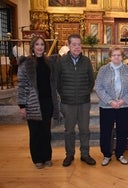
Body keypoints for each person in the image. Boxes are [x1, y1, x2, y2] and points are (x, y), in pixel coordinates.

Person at [17, 36, 59, 169]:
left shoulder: (49, 62)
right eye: (37, 45)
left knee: (46, 131)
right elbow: (22, 85)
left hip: (47, 102)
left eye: (42, 44)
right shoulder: (26, 63)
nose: (40, 47)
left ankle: (47, 157)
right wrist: (22, 105)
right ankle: (37, 159)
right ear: (32, 47)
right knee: (34, 132)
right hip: (32, 102)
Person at [56, 33, 96, 167]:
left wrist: (85, 92)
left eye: (79, 44)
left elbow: (91, 81)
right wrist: (65, 95)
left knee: (85, 130)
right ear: (68, 45)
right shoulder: (61, 61)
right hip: (68, 103)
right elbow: (57, 82)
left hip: (84, 102)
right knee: (69, 131)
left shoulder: (86, 61)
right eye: (74, 44)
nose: (77, 47)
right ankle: (69, 155)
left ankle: (85, 154)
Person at [95, 45, 128, 166]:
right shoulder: (103, 70)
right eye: (114, 55)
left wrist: (123, 100)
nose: (116, 57)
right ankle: (107, 155)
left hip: (123, 106)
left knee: (122, 130)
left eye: (119, 55)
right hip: (107, 106)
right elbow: (98, 87)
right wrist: (110, 101)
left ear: (122, 57)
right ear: (110, 57)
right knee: (106, 131)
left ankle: (120, 154)